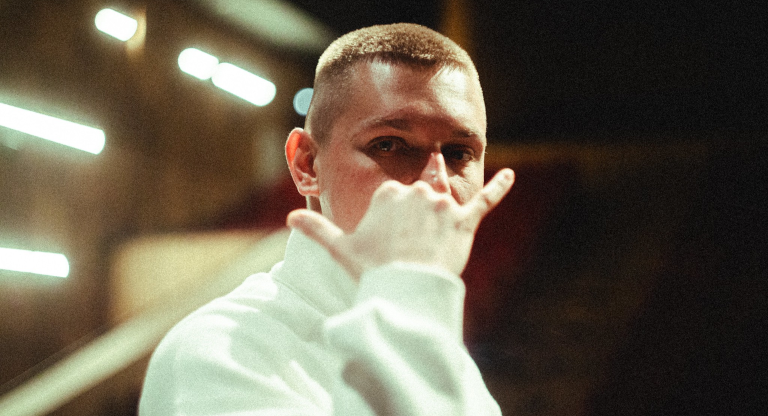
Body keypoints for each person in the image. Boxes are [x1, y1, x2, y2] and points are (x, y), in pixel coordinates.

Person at [139, 23, 515, 415]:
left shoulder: (457, 367)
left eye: (458, 153)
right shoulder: (215, 351)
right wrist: (409, 286)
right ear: (307, 165)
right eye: (389, 145)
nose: (435, 185)